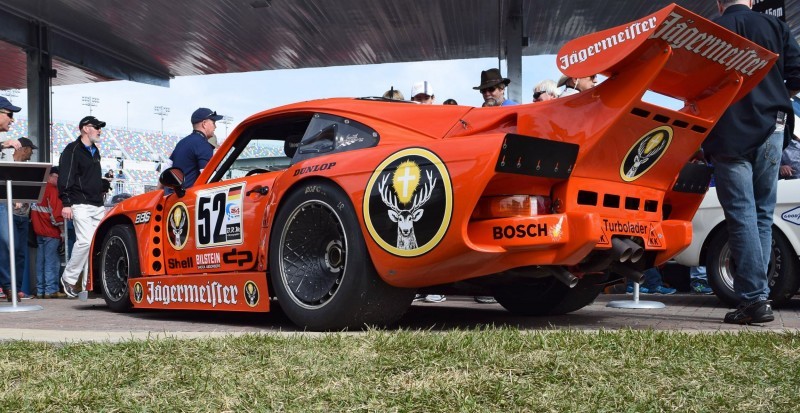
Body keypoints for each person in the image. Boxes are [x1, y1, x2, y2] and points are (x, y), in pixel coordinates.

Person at [704, 0, 800, 324]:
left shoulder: (712, 31)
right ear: (751, 1)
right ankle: (759, 298)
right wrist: (774, 95)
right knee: (761, 214)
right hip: (772, 129)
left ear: (719, 2)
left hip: (729, 134)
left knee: (742, 215)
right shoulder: (775, 27)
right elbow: (797, 74)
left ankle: (754, 300)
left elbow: (696, 85)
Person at [58, 115, 110, 297]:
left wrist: (101, 185)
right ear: (85, 128)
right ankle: (69, 279)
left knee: (96, 244)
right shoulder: (72, 150)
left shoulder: (95, 150)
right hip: (80, 203)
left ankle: (90, 285)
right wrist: (66, 203)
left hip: (97, 204)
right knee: (85, 241)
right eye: (96, 127)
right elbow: (66, 177)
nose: (99, 130)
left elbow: (87, 177)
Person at [0, 96, 23, 302]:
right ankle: (7, 286)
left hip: (1, 202)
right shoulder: (4, 142)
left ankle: (8, 285)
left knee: (10, 243)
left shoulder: (6, 145)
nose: (12, 119)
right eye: (9, 114)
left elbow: (8, 172)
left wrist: (14, 195)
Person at [31, 166, 66, 298]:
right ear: (51, 176)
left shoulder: (39, 189)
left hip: (39, 231)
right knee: (52, 261)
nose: (59, 181)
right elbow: (56, 214)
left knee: (41, 261)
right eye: (57, 177)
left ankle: (41, 290)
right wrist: (62, 231)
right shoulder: (52, 190)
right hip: (51, 232)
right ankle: (51, 290)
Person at [169, 108, 222, 190]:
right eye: (213, 122)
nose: (215, 126)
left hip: (174, 197)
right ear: (204, 123)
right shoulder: (204, 144)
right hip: (189, 198)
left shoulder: (181, 143)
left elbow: (166, 168)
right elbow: (209, 177)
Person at [11, 138, 37, 299]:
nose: (32, 153)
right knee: (7, 251)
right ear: (23, 148)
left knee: (20, 254)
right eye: (30, 149)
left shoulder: (28, 168)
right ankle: (5, 287)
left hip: (23, 218)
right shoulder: (7, 163)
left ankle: (16, 288)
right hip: (10, 215)